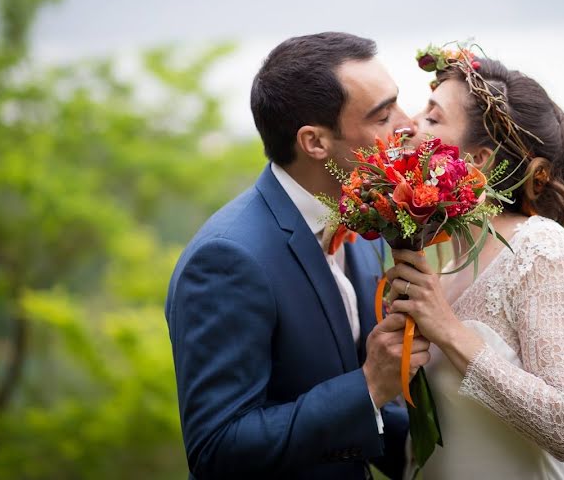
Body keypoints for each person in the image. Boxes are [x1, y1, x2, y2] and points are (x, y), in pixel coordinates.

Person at [165, 32, 430, 479]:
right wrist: (367, 387)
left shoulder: (367, 228)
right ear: (315, 143)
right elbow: (216, 448)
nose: (408, 123)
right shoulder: (226, 259)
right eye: (383, 115)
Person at [388, 55, 564, 479]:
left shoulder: (542, 250)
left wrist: (447, 331)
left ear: (479, 159)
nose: (409, 124)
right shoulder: (446, 265)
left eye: (432, 120)